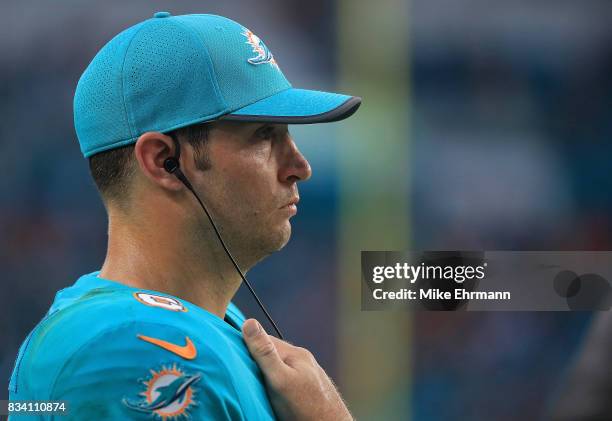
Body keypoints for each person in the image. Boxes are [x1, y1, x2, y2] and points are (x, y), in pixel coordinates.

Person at [8, 11, 360, 420]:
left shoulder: (204, 321)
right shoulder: (133, 349)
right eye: (264, 136)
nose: (299, 165)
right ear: (163, 161)